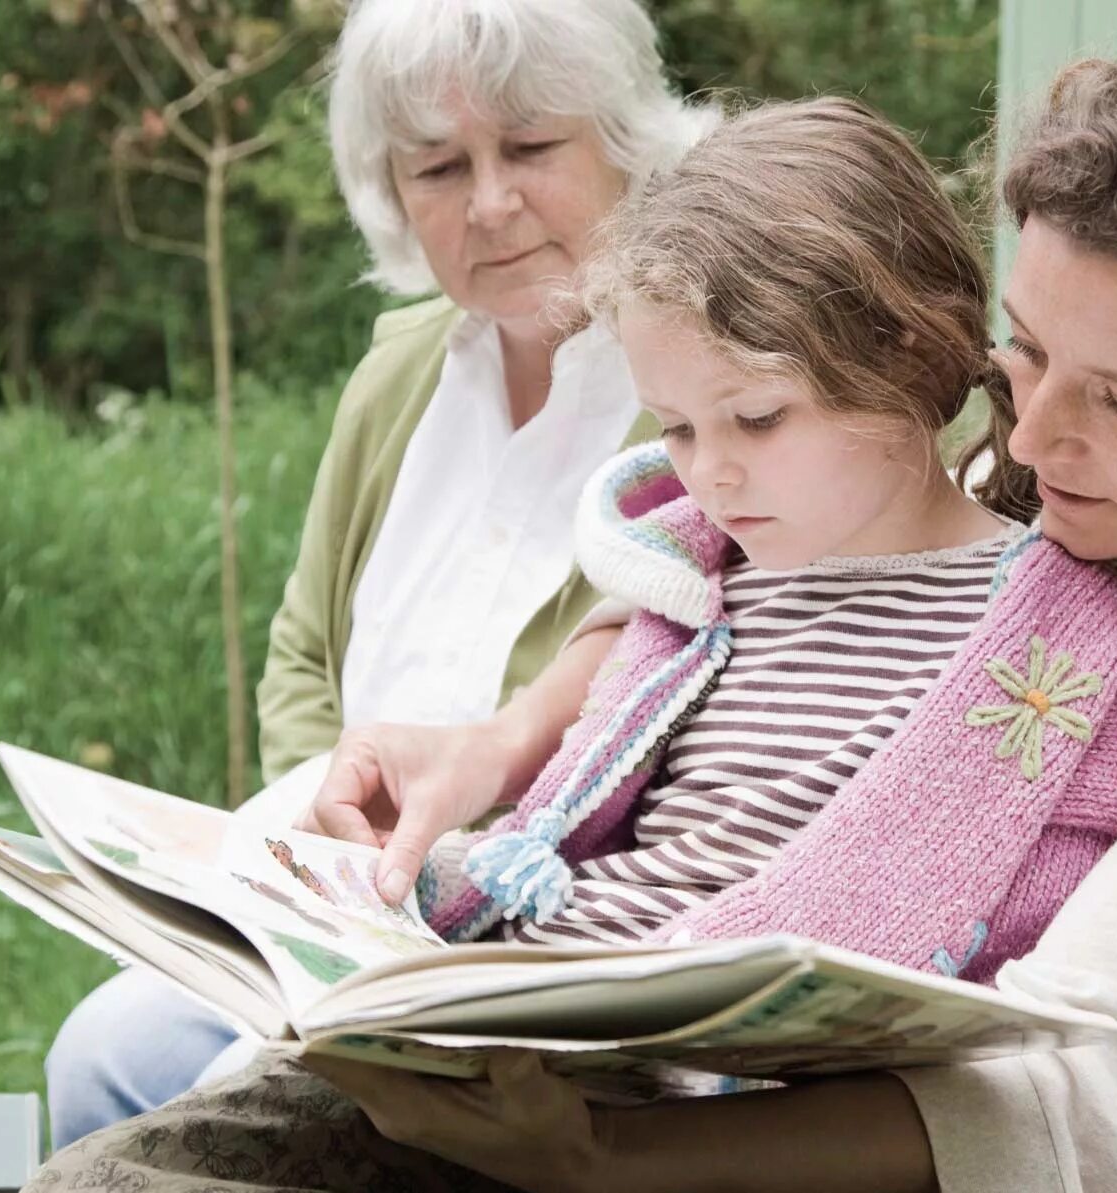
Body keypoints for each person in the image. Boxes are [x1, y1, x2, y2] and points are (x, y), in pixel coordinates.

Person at [50, 29, 1117, 1192]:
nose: (1024, 440)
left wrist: (586, 1154)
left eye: (1112, 400)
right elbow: (741, 597)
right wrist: (510, 742)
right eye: (1023, 352)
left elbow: (1071, 1095)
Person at [31, 94, 1117, 1189]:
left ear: (911, 358)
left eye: (757, 418)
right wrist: (386, 900)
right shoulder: (698, 578)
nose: (709, 469)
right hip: (515, 1030)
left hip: (693, 1108)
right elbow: (568, 829)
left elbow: (1033, 913)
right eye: (674, 424)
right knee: (115, 1168)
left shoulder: (1053, 640)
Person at [40, 0, 716, 1148]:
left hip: (545, 947)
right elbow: (304, 646)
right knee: (101, 1054)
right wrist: (330, 849)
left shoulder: (701, 386)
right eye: (440, 165)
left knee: (210, 1118)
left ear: (625, 140)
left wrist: (434, 882)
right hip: (338, 908)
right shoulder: (399, 367)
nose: (489, 204)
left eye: (532, 148)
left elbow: (674, 703)